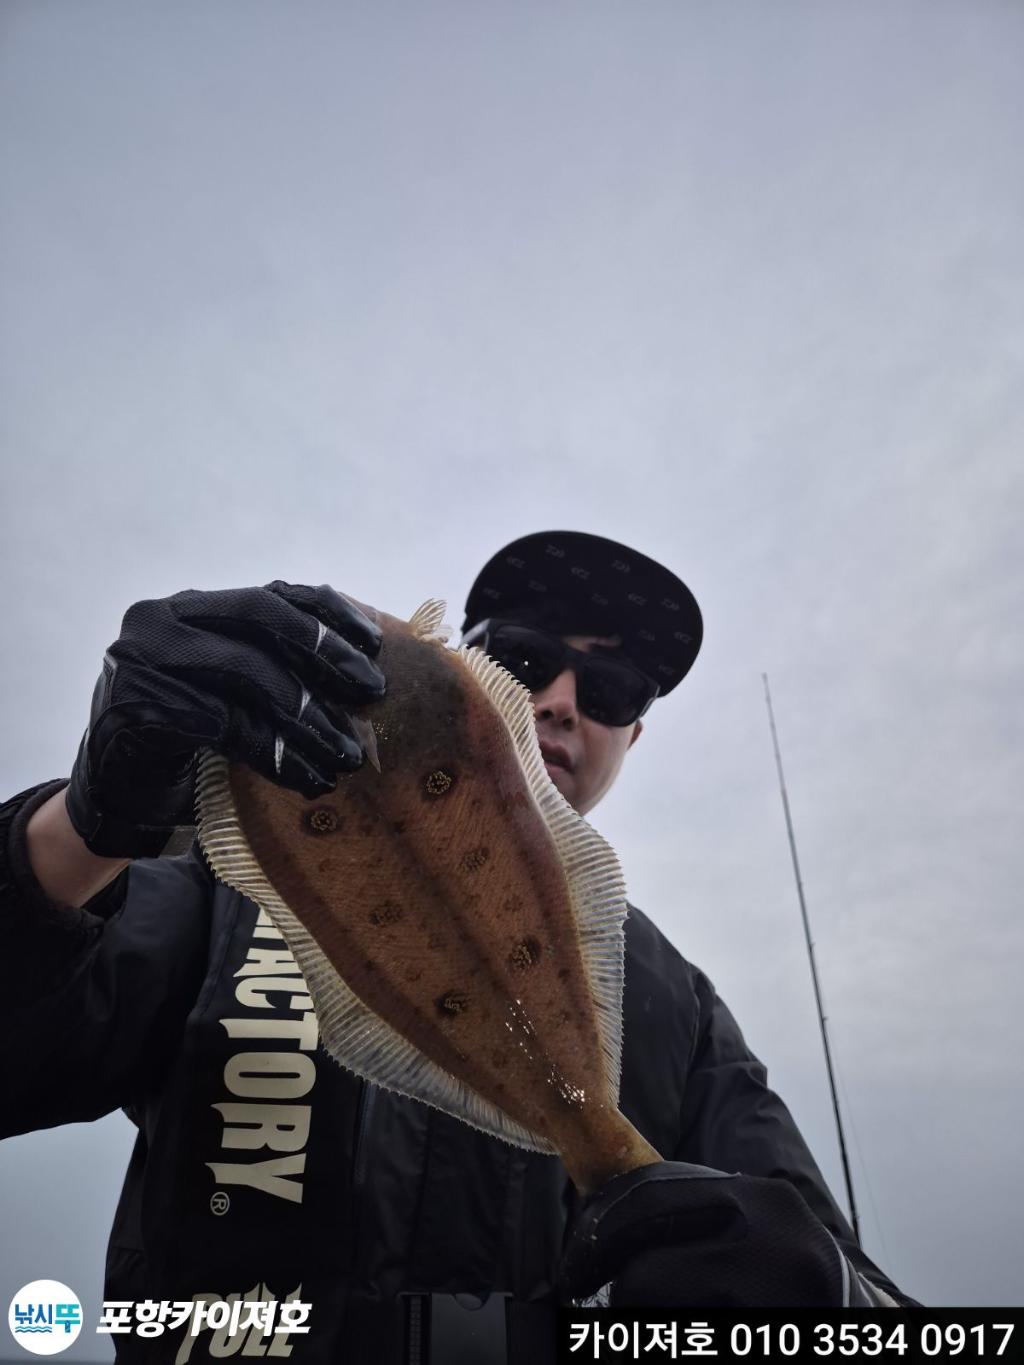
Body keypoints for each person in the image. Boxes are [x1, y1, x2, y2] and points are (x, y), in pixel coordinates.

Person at [0, 530, 912, 1364]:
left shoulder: (679, 1006)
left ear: (634, 733)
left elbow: (870, 1312)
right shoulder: (224, 886)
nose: (559, 701)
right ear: (471, 674)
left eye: (611, 688)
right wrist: (81, 830)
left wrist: (817, 1307)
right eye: (525, 660)